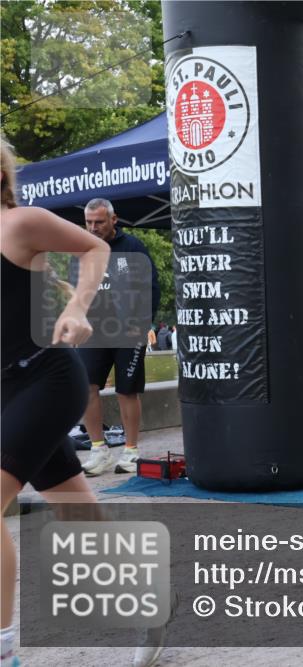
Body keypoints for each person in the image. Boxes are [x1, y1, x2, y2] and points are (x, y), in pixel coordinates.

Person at [2, 137, 111, 667]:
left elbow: (95, 249)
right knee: (76, 513)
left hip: (46, 377)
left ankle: (4, 651)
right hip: (6, 393)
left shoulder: (20, 223)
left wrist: (77, 307)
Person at [75, 198, 160, 477]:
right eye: (88, 222)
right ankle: (99, 450)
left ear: (114, 219)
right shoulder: (83, 249)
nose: (93, 227)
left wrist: (143, 322)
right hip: (94, 331)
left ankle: (131, 451)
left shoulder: (133, 247)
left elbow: (151, 287)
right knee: (86, 386)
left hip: (128, 331)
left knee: (126, 390)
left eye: (99, 222)